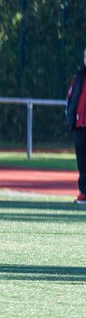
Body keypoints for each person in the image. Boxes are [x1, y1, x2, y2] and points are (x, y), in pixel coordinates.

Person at [66, 46, 86, 204]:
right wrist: (70, 118)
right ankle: (84, 193)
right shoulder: (79, 76)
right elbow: (71, 98)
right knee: (82, 161)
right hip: (79, 125)